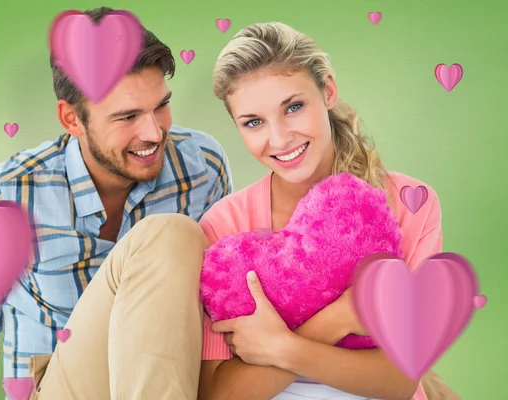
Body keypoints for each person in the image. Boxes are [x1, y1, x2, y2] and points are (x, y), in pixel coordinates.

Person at [0, 6, 233, 400]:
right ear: (72, 120)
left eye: (161, 106)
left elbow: (217, 300)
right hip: (60, 383)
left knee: (178, 242)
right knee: (168, 232)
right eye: (128, 116)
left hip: (172, 378)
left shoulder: (202, 164)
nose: (154, 132)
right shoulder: (0, 198)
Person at [196, 22, 461, 400]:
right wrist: (337, 318)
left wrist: (278, 347)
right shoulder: (225, 228)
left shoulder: (409, 203)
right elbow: (220, 395)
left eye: (294, 107)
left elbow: (399, 382)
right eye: (254, 122)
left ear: (328, 91)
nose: (279, 138)